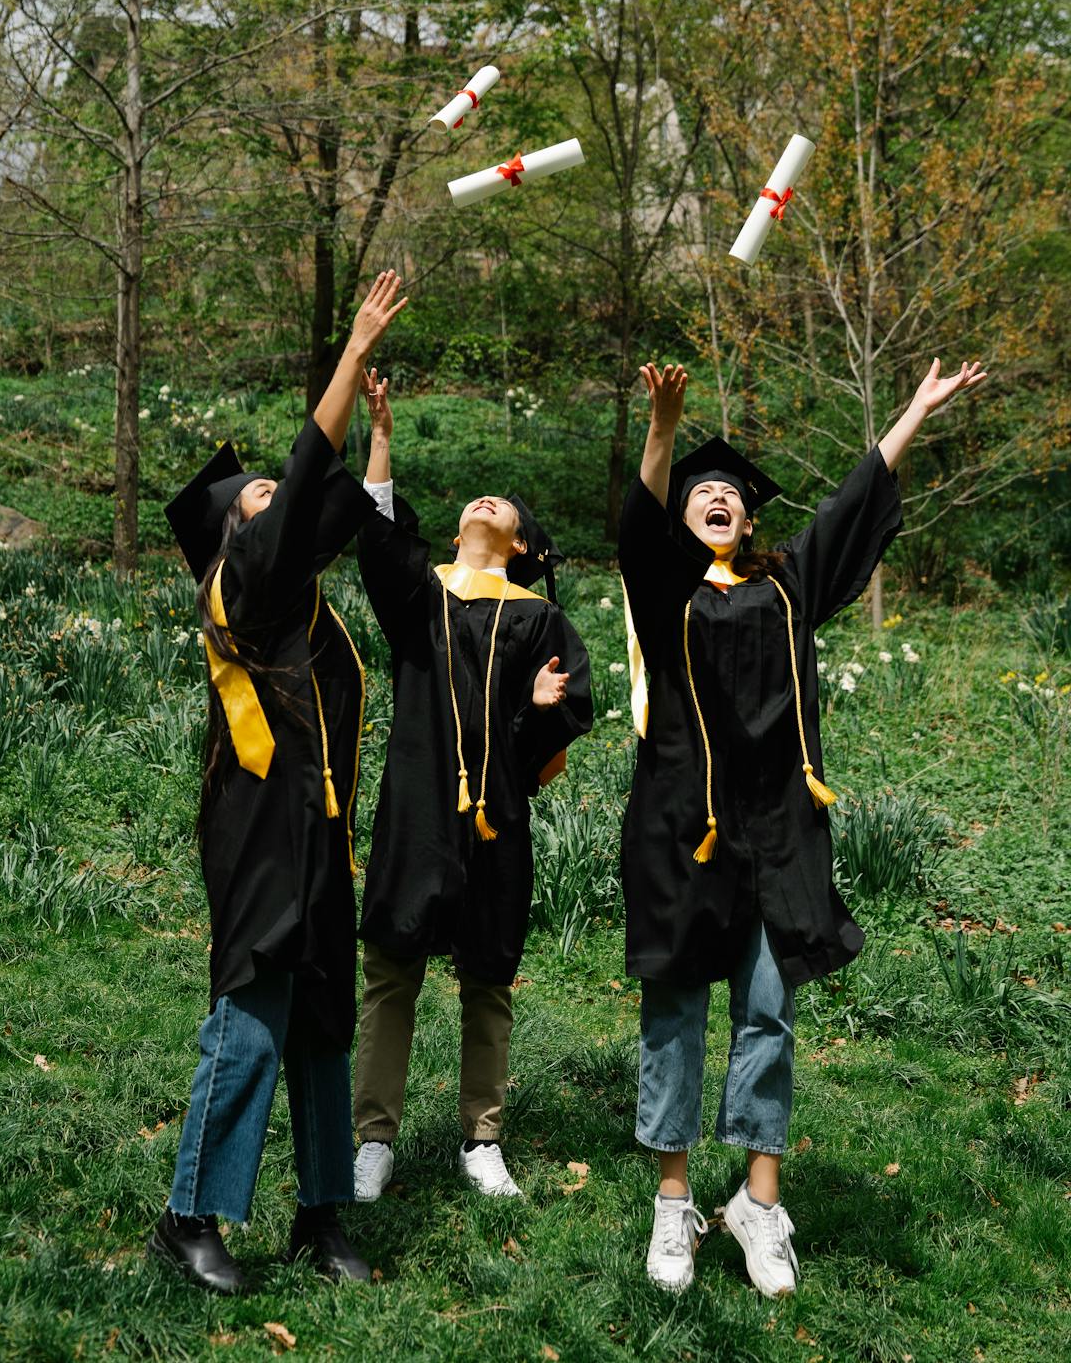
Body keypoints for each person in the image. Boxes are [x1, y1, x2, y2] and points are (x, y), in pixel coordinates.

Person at [621, 356, 986, 1298]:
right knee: (674, 1014)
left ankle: (758, 1203)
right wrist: (664, 430)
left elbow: (854, 506)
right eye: (699, 492)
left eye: (730, 495)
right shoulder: (668, 596)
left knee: (768, 1012)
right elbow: (638, 531)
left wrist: (912, 411)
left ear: (750, 518)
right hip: (682, 827)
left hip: (781, 829)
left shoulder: (787, 592)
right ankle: (673, 1206)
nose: (714, 498)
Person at [148, 272, 408, 1295]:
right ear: (235, 536)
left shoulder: (308, 613)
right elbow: (309, 483)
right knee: (250, 1012)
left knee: (323, 1019)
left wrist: (379, 432)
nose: (278, 504)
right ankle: (189, 1215)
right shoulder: (247, 587)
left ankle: (320, 1215)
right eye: (257, 502)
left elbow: (341, 510)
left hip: (319, 840)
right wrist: (349, 355)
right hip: (260, 834)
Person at [350, 368, 593, 1202]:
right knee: (391, 970)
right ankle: (373, 1138)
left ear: (524, 543)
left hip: (495, 817)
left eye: (503, 503)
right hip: (418, 806)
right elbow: (379, 546)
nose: (486, 501)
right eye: (475, 499)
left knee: (487, 979)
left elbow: (553, 736)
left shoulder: (538, 617)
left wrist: (532, 711)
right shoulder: (423, 599)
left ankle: (481, 1139)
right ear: (457, 531)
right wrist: (382, 432)